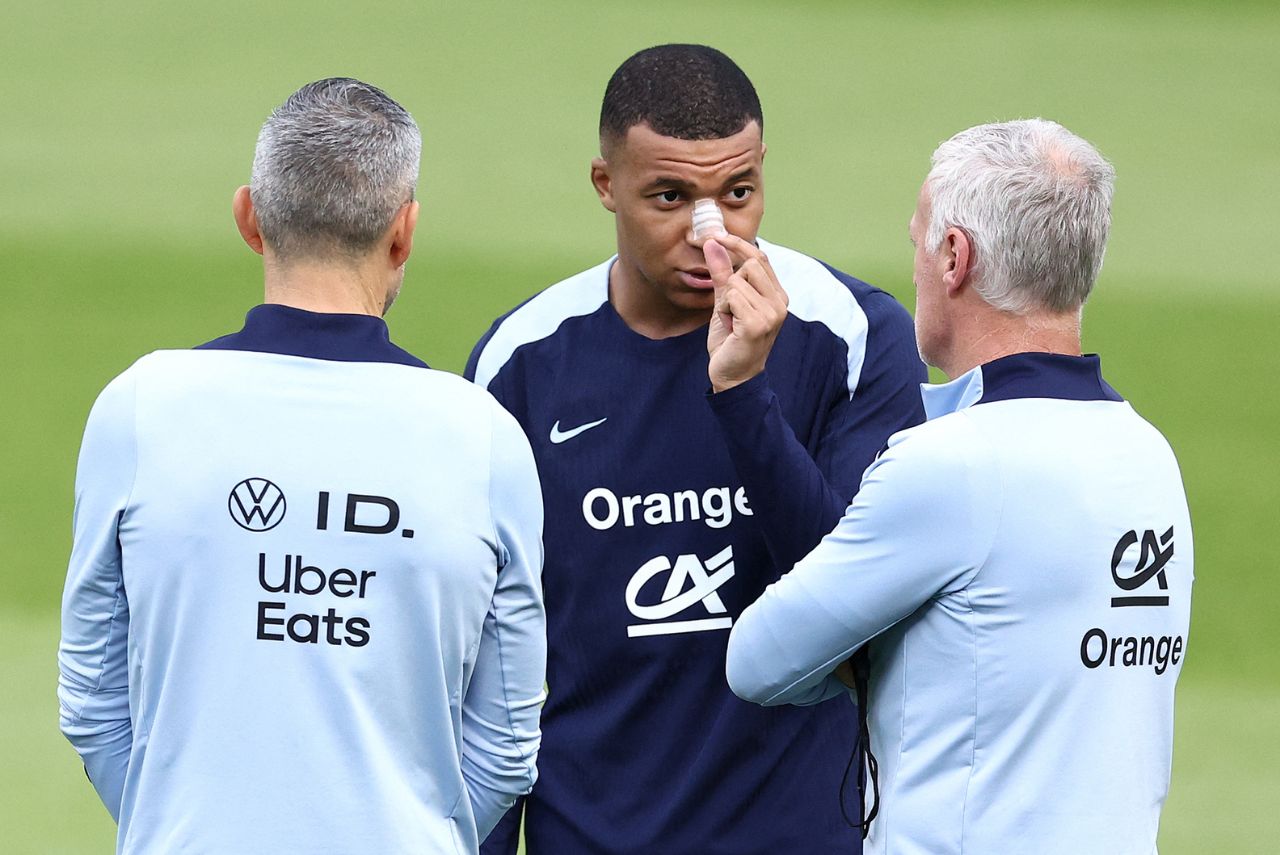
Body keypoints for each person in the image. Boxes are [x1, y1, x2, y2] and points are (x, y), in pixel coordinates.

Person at [57, 78, 547, 854]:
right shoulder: (481, 437)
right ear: (404, 231)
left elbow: (92, 700)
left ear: (249, 216)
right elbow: (507, 738)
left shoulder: (140, 407)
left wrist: (181, 823)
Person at [466, 45, 925, 854]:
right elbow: (481, 660)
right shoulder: (521, 363)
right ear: (606, 185)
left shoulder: (854, 337)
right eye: (670, 197)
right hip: (591, 834)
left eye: (737, 194)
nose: (709, 235)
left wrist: (744, 395)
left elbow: (851, 607)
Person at [726, 119, 1194, 854]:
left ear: (954, 256)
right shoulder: (1148, 455)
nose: (912, 267)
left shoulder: (949, 464)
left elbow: (757, 659)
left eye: (918, 240)